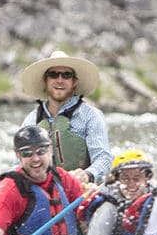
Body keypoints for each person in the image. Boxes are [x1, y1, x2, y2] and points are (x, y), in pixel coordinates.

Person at [0, 125, 86, 235]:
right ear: (18, 156)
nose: (35, 159)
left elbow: (87, 219)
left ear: (50, 150)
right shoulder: (9, 189)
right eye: (27, 153)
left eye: (41, 151)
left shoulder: (63, 179)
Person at [20, 50, 112, 187]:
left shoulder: (91, 115)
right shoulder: (31, 120)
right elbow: (19, 163)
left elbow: (103, 158)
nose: (60, 80)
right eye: (53, 74)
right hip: (44, 192)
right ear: (45, 80)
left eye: (67, 75)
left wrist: (88, 174)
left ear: (74, 82)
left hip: (82, 190)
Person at [78, 150, 157, 235]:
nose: (131, 184)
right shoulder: (108, 208)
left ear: (147, 178)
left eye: (137, 178)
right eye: (125, 178)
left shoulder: (156, 203)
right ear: (116, 179)